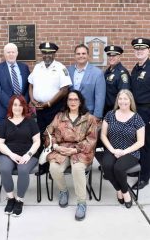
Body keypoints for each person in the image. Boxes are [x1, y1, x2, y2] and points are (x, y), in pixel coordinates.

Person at [46, 90, 97, 221]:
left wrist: (75, 150)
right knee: (54, 168)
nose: (73, 102)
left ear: (80, 101)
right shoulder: (59, 116)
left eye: (75, 99)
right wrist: (56, 146)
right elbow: (48, 133)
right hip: (61, 149)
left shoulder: (89, 118)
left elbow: (92, 140)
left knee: (77, 168)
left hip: (81, 151)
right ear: (67, 102)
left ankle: (81, 202)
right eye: (70, 99)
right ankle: (63, 191)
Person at [0, 95, 40, 217]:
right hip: (9, 153)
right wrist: (11, 155)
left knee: (23, 170)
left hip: (28, 153)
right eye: (15, 105)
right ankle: (10, 198)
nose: (17, 107)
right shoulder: (4, 123)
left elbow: (37, 141)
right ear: (11, 106)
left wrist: (28, 155)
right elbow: (0, 143)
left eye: (20, 105)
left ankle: (19, 200)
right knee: (4, 169)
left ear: (24, 107)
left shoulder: (31, 122)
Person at [101, 90, 145, 208]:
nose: (122, 101)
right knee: (106, 166)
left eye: (126, 99)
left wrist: (124, 152)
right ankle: (119, 189)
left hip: (131, 151)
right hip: (112, 149)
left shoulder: (137, 118)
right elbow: (103, 135)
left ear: (130, 101)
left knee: (119, 168)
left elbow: (141, 142)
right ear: (117, 101)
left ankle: (125, 193)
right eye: (120, 98)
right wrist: (113, 150)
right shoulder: (110, 114)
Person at [28, 42, 72, 134]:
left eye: (50, 53)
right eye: (44, 53)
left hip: (54, 108)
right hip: (39, 108)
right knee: (40, 132)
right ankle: (41, 148)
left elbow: (64, 90)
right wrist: (32, 100)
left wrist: (48, 103)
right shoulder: (37, 67)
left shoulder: (61, 68)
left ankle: (52, 149)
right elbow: (30, 84)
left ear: (54, 54)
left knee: (53, 133)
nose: (47, 55)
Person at [0, 43, 30, 128]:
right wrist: (11, 105)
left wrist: (23, 103)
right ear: (4, 54)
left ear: (17, 53)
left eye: (13, 52)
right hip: (3, 110)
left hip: (21, 109)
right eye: (8, 52)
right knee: (4, 137)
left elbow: (29, 87)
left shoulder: (24, 67)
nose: (11, 54)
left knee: (20, 135)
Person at [130, 37, 150, 190]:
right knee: (137, 143)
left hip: (147, 111)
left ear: (148, 50)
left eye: (142, 49)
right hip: (137, 111)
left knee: (145, 145)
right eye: (137, 49)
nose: (139, 51)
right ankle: (138, 169)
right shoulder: (136, 68)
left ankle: (144, 177)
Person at [68, 44, 106, 120]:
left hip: (89, 114)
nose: (81, 56)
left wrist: (97, 117)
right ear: (75, 56)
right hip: (71, 113)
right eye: (78, 54)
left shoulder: (97, 73)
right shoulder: (69, 71)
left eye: (83, 53)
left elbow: (100, 97)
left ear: (88, 55)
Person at [103, 45, 130, 115]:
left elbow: (124, 95)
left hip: (117, 111)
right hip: (107, 111)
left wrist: (120, 113)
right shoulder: (108, 71)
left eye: (114, 55)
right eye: (109, 55)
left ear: (119, 56)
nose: (111, 58)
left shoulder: (122, 73)